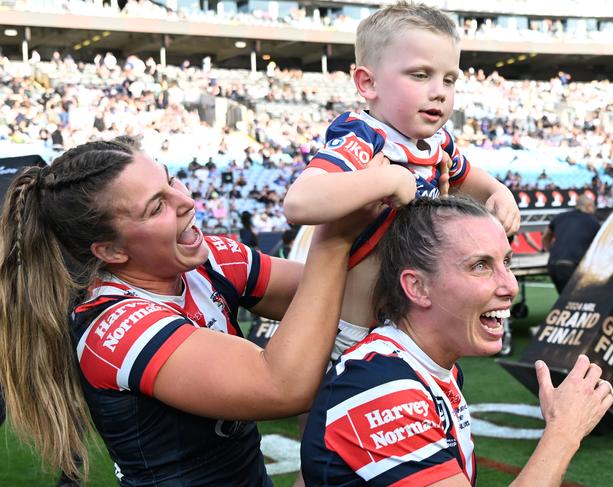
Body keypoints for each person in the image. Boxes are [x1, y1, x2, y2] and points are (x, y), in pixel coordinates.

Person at [0, 137, 372, 485]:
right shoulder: (113, 326)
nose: (186, 201)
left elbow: (338, 293)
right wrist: (333, 236)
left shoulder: (205, 261)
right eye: (157, 206)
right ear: (111, 252)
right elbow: (283, 385)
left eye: (171, 181)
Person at [301, 197, 613, 485]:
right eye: (480, 266)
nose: (510, 286)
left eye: (507, 262)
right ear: (418, 287)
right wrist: (564, 431)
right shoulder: (381, 388)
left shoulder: (432, 367)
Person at [283, 0, 519, 377]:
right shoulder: (362, 136)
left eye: (449, 79)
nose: (439, 92)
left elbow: (468, 176)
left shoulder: (437, 140)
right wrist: (385, 179)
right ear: (368, 83)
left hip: (406, 322)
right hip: (354, 329)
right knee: (334, 413)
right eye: (420, 75)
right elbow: (300, 202)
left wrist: (499, 193)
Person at [542, 194, 601, 293]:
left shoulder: (559, 217)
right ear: (589, 206)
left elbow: (545, 237)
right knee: (577, 299)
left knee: (564, 298)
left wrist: (551, 251)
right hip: (572, 266)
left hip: (553, 264)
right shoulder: (593, 222)